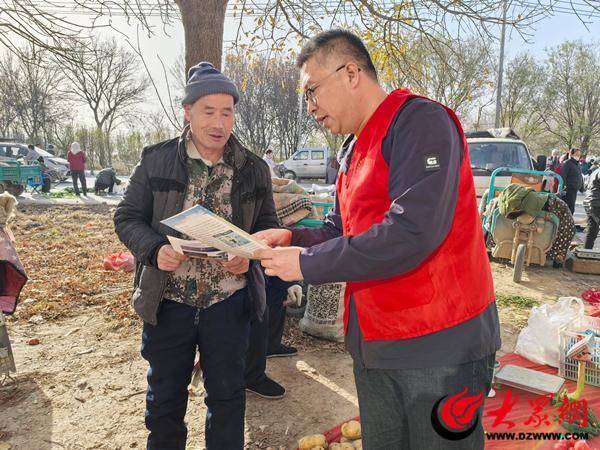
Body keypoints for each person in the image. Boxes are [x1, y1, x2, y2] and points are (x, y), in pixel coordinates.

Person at [254, 30, 500, 449]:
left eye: (312, 90)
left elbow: (412, 231)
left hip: (438, 343)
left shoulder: (419, 122)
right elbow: (342, 229)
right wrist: (293, 237)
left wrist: (306, 263)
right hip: (376, 341)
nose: (309, 106)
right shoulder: (354, 148)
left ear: (351, 73)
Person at [114, 61, 278, 450]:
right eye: (208, 111)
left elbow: (268, 226)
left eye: (227, 112)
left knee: (227, 398)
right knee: (164, 401)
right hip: (169, 301)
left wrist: (250, 255)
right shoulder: (156, 160)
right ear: (187, 112)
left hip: (228, 303)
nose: (219, 123)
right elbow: (127, 217)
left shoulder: (253, 169)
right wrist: (155, 249)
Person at [244, 277, 300, 399]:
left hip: (264, 271)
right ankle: (251, 376)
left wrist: (290, 282)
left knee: (278, 290)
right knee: (257, 308)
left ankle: (271, 345)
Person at [560, 147, 584, 215]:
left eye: (579, 155)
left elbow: (580, 175)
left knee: (571, 208)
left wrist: (582, 186)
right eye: (576, 154)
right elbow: (563, 175)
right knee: (569, 208)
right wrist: (564, 188)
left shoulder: (577, 164)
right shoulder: (567, 163)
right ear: (571, 154)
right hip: (569, 189)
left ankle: (569, 219)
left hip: (574, 189)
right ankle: (567, 220)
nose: (578, 156)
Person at [583, 164, 600, 249]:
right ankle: (587, 249)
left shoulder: (595, 171)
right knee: (593, 228)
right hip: (595, 202)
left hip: (590, 201)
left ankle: (587, 249)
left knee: (593, 228)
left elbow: (585, 186)